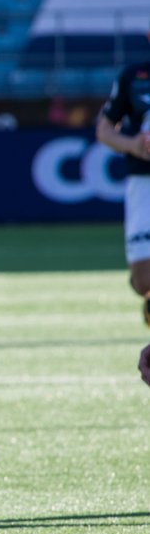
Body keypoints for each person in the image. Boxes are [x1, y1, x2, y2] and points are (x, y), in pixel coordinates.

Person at [96, 35, 150, 325]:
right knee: (143, 282)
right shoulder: (133, 77)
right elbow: (104, 130)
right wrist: (132, 145)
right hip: (144, 183)